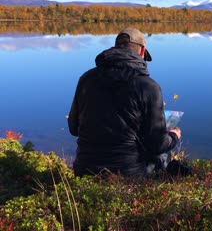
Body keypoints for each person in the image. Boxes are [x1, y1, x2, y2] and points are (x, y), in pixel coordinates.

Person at [68, 28, 181, 177]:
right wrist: (173, 136)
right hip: (128, 175)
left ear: (116, 47)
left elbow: (74, 128)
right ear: (142, 52)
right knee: (162, 155)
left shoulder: (86, 79)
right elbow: (157, 145)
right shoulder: (148, 86)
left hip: (84, 171)